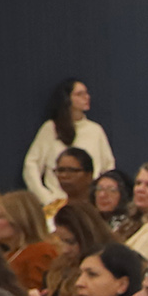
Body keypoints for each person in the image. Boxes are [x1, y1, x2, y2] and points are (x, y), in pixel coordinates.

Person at [21, 76, 112, 213]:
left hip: (89, 206)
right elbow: (31, 165)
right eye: (79, 94)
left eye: (86, 93)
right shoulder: (51, 128)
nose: (86, 97)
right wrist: (46, 198)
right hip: (58, 205)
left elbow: (108, 167)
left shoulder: (95, 130)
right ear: (67, 99)